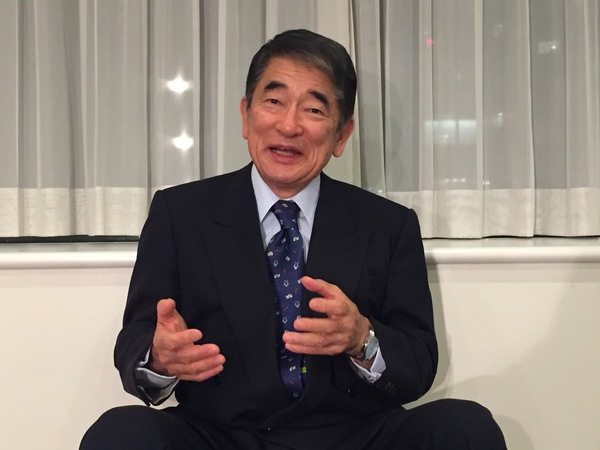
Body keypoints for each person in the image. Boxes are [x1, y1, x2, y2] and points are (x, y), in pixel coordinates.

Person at [80, 29, 507, 449]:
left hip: (354, 436)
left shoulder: (389, 225)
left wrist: (362, 338)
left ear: (342, 135)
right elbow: (137, 338)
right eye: (274, 101)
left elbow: (417, 365)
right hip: (222, 434)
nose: (288, 125)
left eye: (314, 110)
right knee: (119, 435)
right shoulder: (180, 213)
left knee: (465, 427)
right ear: (246, 115)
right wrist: (159, 358)